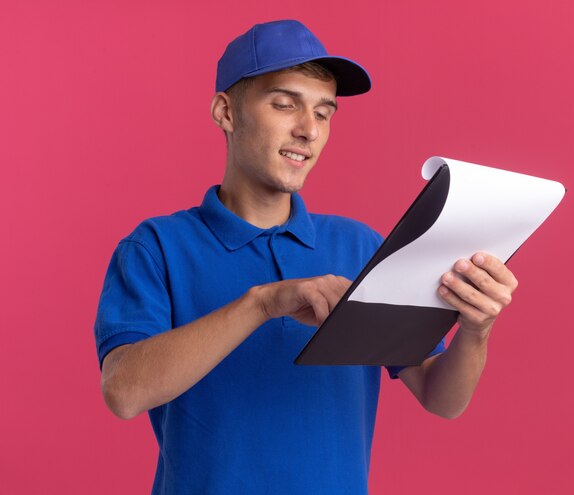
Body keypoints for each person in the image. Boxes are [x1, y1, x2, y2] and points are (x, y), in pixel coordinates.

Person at [95, 20, 518, 494]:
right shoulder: (156, 247)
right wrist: (262, 304)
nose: (308, 130)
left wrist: (476, 331)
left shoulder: (360, 248)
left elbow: (442, 398)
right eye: (284, 104)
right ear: (226, 112)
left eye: (324, 112)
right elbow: (124, 392)